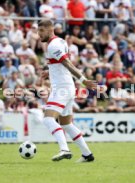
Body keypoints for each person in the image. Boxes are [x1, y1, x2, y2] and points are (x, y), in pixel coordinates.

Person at [38, 20, 96, 162]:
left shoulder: (53, 45)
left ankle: (64, 149)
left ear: (50, 29)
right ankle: (87, 154)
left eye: (41, 31)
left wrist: (83, 80)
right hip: (67, 86)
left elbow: (67, 63)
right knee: (66, 124)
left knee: (47, 119)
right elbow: (60, 65)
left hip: (62, 88)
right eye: (38, 31)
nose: (39, 34)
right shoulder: (61, 42)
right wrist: (49, 71)